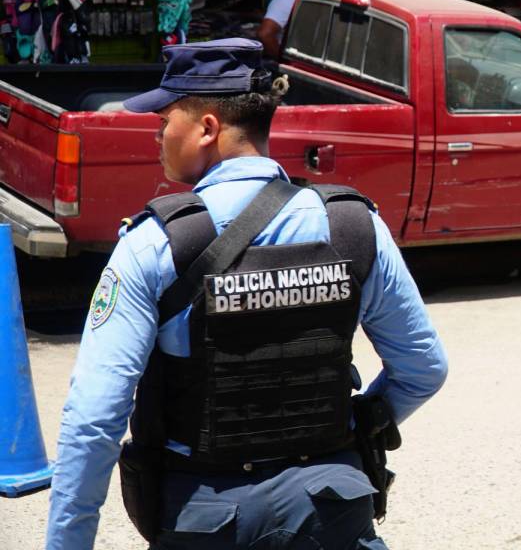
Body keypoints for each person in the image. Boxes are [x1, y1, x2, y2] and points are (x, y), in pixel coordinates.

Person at [46, 39, 448, 550]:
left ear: (207, 128)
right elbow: (423, 367)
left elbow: (93, 420)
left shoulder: (153, 243)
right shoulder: (354, 226)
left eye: (166, 119)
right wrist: (355, 425)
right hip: (332, 506)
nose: (159, 135)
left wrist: (68, 543)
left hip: (205, 514)